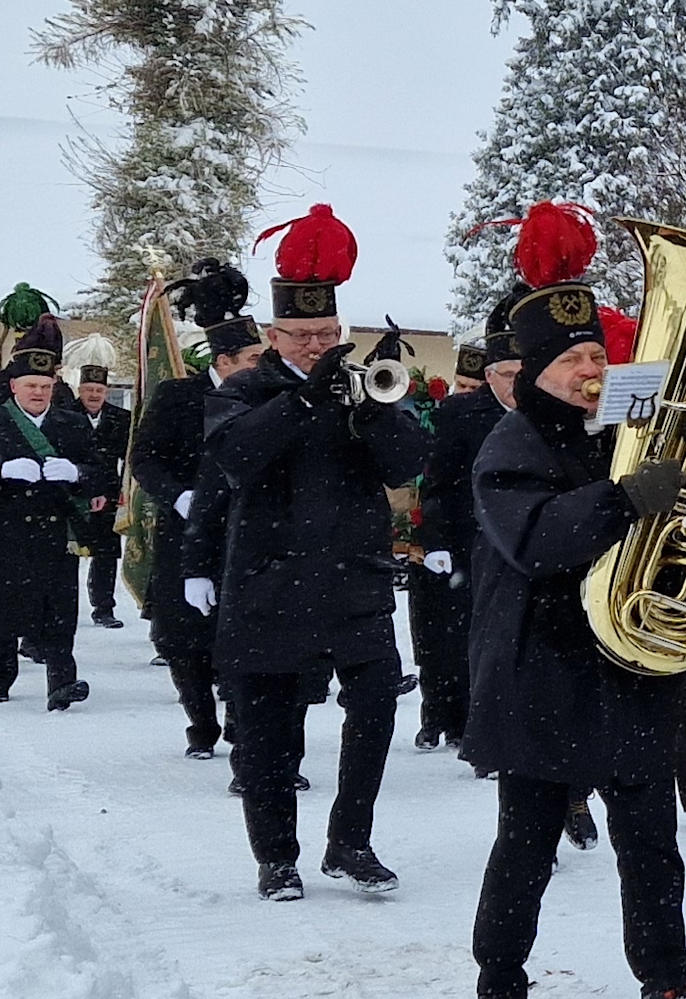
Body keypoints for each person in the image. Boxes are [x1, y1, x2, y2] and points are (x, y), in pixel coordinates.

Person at [461, 208, 686, 999]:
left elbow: (673, 520)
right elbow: (537, 539)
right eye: (572, 361)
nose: (590, 371)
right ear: (535, 373)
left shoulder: (628, 427)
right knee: (525, 849)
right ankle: (500, 993)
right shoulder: (508, 444)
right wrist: (624, 499)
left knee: (651, 846)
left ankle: (669, 994)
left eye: (596, 356)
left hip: (627, 670)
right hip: (540, 675)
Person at [192, 206, 431, 900]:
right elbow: (236, 458)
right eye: (302, 336)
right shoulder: (243, 391)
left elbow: (406, 466)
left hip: (354, 582)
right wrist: (301, 402)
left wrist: (377, 411)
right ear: (272, 336)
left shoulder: (358, 389)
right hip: (270, 583)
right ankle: (276, 856)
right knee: (269, 728)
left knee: (376, 708)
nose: (316, 345)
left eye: (327, 333)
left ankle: (350, 841)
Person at [131, 260, 257, 760]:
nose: (260, 365)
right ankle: (201, 722)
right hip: (185, 532)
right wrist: (179, 496)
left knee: (245, 638)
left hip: (249, 531)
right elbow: (145, 459)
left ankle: (243, 727)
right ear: (224, 360)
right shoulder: (178, 396)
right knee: (184, 639)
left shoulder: (269, 398)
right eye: (252, 358)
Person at [0, 317, 97, 709]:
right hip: (3, 532)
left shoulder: (71, 423)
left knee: (60, 613)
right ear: (14, 386)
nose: (38, 393)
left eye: (46, 386)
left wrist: (77, 473)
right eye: (31, 386)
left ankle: (62, 682)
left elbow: (100, 473)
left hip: (56, 533)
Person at [411, 313, 514, 754]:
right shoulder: (459, 414)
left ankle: (490, 725)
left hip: (521, 543)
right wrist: (435, 541)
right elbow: (438, 483)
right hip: (467, 541)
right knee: (452, 639)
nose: (517, 383)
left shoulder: (548, 413)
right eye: (508, 374)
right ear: (491, 375)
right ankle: (447, 717)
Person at [65, 337, 131, 627]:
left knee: (106, 554)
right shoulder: (64, 415)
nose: (94, 395)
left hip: (109, 493)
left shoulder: (122, 418)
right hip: (72, 494)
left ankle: (104, 607)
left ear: (107, 391)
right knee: (67, 554)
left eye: (99, 390)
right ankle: (64, 607)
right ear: (80, 390)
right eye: (89, 389)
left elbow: (128, 458)